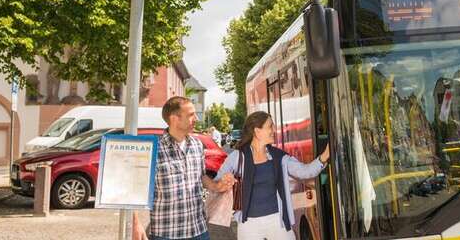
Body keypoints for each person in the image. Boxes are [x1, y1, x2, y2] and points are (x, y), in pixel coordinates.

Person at [214, 111, 330, 240]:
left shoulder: (279, 157)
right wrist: (224, 181)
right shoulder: (237, 157)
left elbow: (305, 172)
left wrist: (325, 156)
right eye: (270, 126)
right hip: (249, 224)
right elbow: (217, 181)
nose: (274, 130)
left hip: (277, 220)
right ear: (257, 131)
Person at [138, 96, 236, 240]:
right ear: (174, 119)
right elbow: (135, 188)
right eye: (190, 115)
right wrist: (136, 223)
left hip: (198, 230)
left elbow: (201, 176)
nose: (196, 118)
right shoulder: (153, 149)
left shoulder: (197, 145)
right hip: (166, 233)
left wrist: (217, 186)